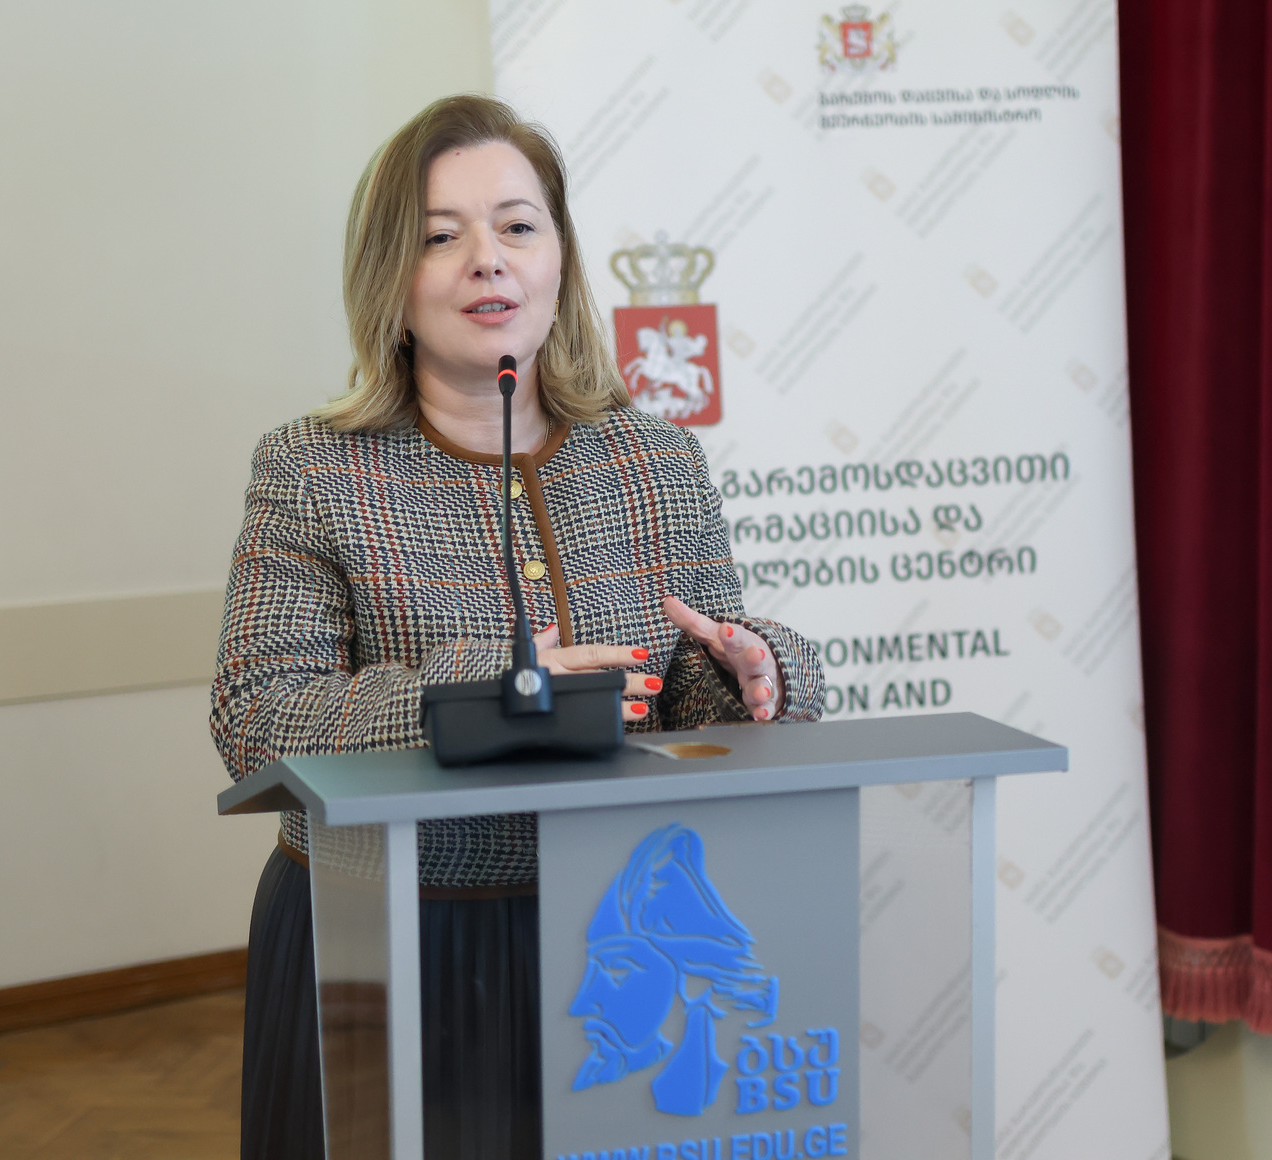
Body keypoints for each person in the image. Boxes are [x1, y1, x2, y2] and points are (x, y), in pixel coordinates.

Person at [210, 93, 824, 1160]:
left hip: (618, 937)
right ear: (392, 281)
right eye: (441, 237)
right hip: (395, 933)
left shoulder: (656, 460)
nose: (487, 260)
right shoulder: (312, 469)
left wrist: (751, 672)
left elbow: (692, 681)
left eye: (516, 226)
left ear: (558, 261)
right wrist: (482, 690)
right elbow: (257, 718)